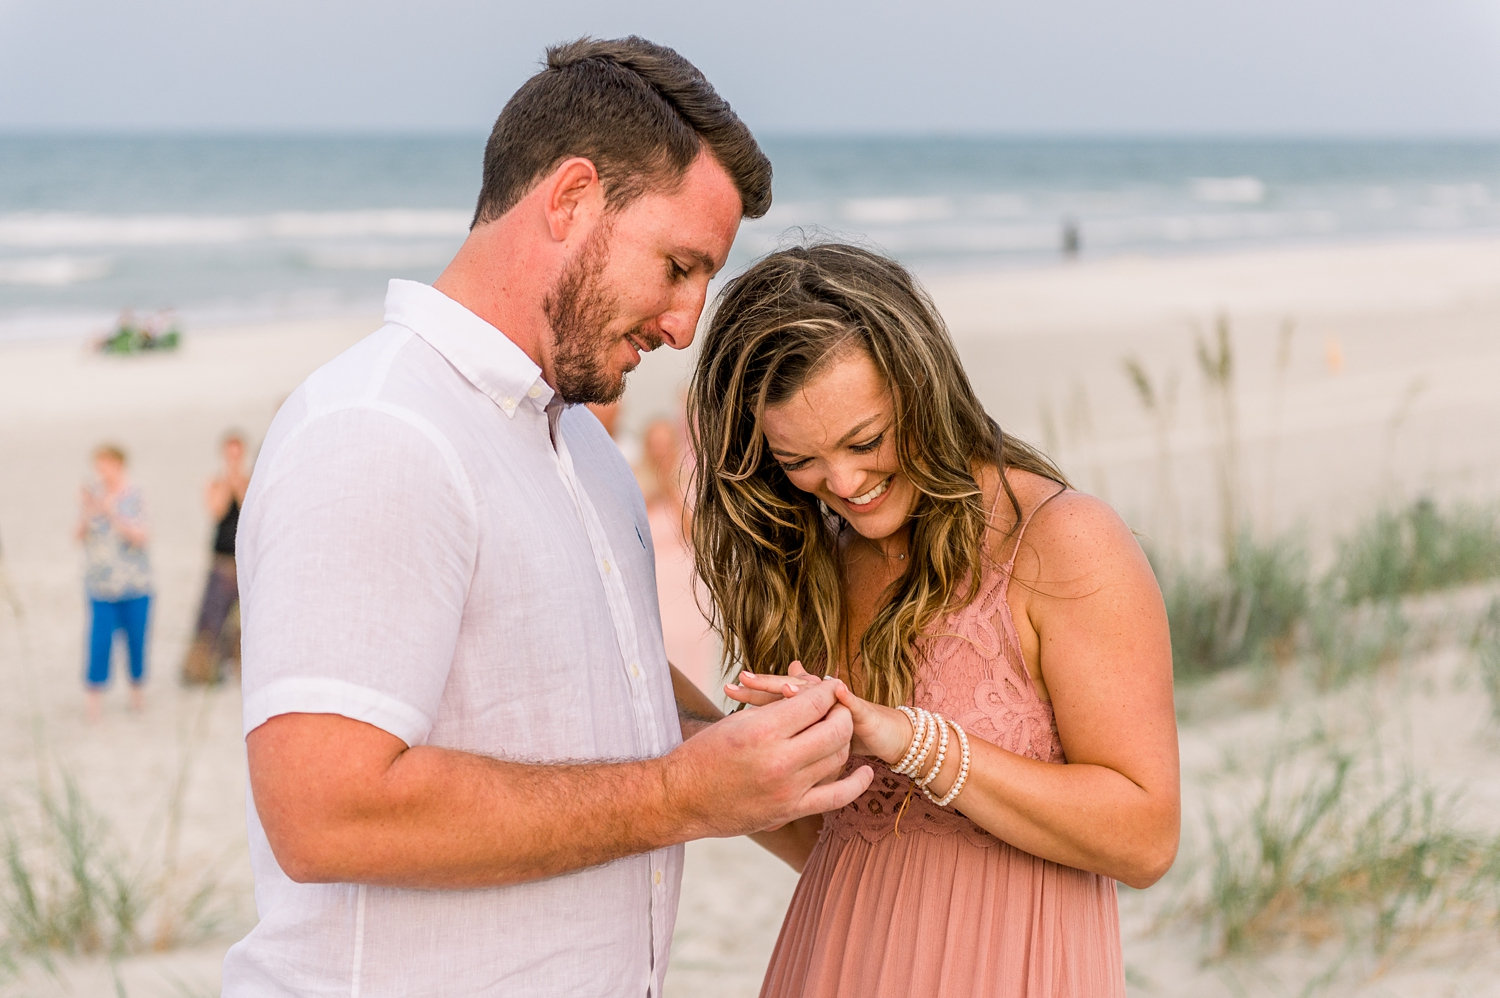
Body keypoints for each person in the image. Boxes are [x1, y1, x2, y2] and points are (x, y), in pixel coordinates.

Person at [222, 37, 871, 997]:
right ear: (570, 200)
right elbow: (323, 811)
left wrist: (771, 762)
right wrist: (686, 796)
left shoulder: (584, 454)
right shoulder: (381, 429)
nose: (686, 324)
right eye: (678, 265)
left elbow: (607, 701)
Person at [687, 243, 1180, 998]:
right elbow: (828, 838)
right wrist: (687, 724)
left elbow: (1145, 838)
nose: (843, 484)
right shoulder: (812, 563)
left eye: (866, 441)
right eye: (798, 460)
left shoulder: (1057, 541)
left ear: (924, 388)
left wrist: (912, 741)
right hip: (832, 960)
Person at [638, 415, 720, 694]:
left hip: (686, 586)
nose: (660, 452)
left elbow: (696, 533)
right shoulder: (635, 483)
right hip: (654, 585)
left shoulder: (692, 484)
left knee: (693, 656)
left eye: (665, 445)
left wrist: (670, 488)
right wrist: (653, 490)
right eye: (654, 445)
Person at [76, 443, 153, 720]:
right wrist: (88, 510)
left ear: (119, 465)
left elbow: (141, 536)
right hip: (100, 586)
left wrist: (111, 511)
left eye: (106, 465)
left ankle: (137, 697)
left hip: (134, 584)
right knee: (99, 643)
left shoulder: (134, 495)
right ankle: (93, 705)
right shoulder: (94, 497)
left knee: (136, 641)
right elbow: (77, 536)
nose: (101, 472)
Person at [181, 430, 250, 685]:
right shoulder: (215, 482)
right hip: (221, 559)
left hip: (244, 558)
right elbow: (217, 510)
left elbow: (248, 506)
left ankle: (241, 666)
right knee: (211, 616)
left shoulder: (250, 480)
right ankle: (203, 668)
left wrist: (239, 481)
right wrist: (228, 482)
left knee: (244, 618)